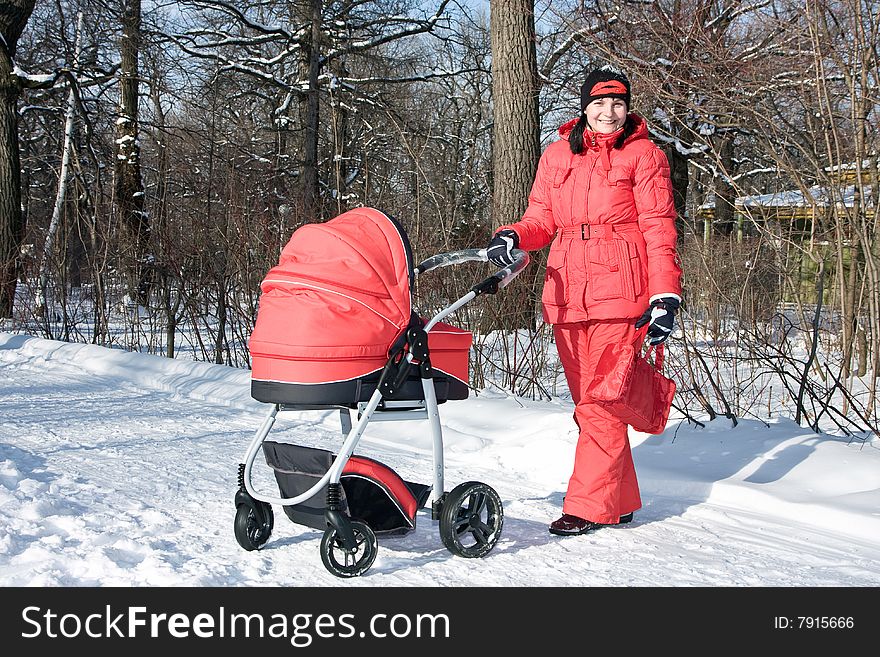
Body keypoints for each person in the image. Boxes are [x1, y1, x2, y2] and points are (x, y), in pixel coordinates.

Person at [486, 65, 682, 536]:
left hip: (623, 293)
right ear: (583, 107)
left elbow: (659, 228)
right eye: (599, 102)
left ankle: (590, 506)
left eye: (617, 103)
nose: (608, 112)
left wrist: (665, 293)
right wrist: (512, 235)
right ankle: (619, 499)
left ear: (628, 107)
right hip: (567, 291)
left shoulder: (645, 155)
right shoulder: (557, 156)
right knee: (589, 402)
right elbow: (541, 218)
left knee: (602, 402)